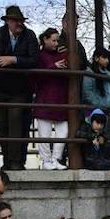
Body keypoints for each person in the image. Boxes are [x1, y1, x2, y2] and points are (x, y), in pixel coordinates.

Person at [0, 5, 39, 172]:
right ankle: (7, 161)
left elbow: (34, 60)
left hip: (20, 88)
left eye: (20, 21)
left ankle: (16, 162)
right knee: (2, 125)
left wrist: (13, 60)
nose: (18, 24)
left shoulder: (29, 35)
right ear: (8, 21)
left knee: (16, 121)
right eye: (15, 21)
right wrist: (16, 62)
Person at [30, 27, 68, 170]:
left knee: (63, 132)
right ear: (45, 40)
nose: (56, 43)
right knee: (44, 134)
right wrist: (54, 67)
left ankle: (56, 159)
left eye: (57, 40)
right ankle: (46, 160)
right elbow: (35, 76)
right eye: (53, 40)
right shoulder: (39, 56)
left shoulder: (61, 55)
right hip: (44, 98)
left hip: (60, 99)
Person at [82, 48, 110, 112]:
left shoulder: (108, 74)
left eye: (107, 58)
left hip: (109, 109)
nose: (107, 61)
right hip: (95, 110)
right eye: (104, 58)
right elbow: (87, 93)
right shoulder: (89, 73)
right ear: (96, 58)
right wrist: (101, 104)